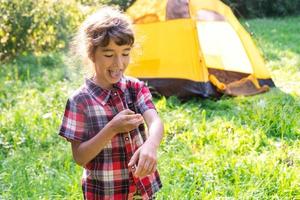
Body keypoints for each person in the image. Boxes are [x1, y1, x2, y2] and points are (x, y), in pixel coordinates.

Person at [59, 6, 163, 200]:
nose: (119, 63)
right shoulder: (80, 101)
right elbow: (80, 157)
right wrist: (112, 128)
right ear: (92, 54)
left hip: (142, 190)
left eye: (125, 53)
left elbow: (155, 122)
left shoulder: (135, 88)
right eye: (109, 55)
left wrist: (151, 145)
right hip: (105, 193)